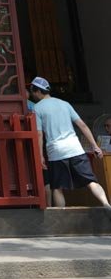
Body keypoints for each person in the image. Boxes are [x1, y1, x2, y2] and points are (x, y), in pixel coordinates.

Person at [29, 76, 111, 218]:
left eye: (33, 91)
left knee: (57, 187)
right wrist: (94, 146)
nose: (33, 94)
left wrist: (40, 155)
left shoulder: (37, 108)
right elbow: (82, 125)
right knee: (91, 181)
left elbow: (39, 134)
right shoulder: (65, 104)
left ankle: (61, 218)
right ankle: (106, 205)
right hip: (75, 148)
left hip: (56, 152)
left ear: (37, 91)